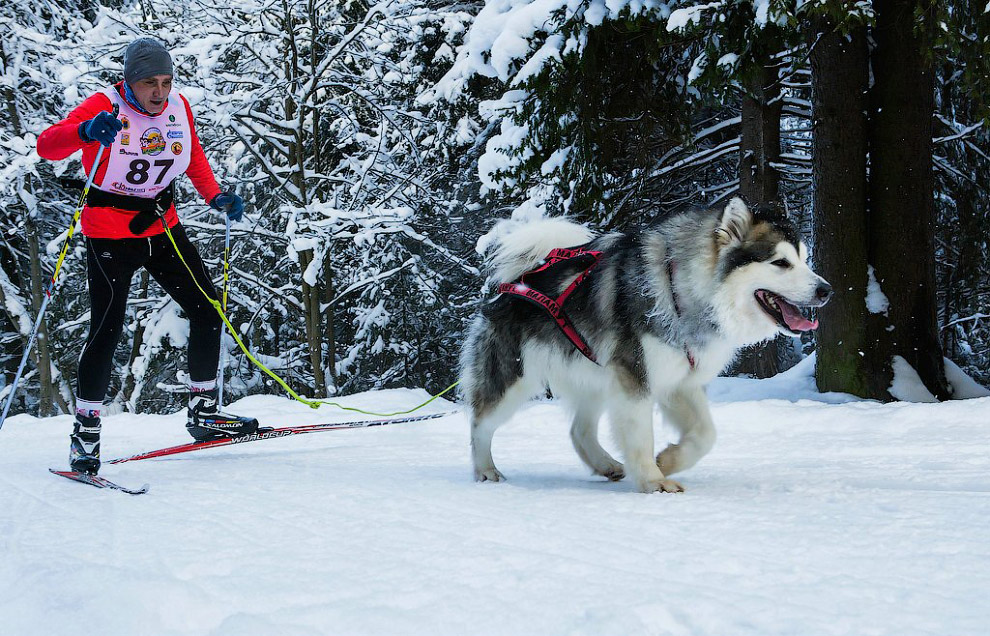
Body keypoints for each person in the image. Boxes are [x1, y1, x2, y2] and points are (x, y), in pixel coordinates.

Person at [37, 37, 259, 474]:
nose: (159, 92)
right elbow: (48, 145)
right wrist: (84, 131)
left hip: (162, 227)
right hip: (109, 233)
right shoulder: (104, 106)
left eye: (165, 81)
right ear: (129, 82)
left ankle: (203, 412)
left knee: (207, 309)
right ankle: (85, 434)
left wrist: (215, 196)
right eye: (148, 83)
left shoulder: (178, 107)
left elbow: (192, 156)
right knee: (107, 328)